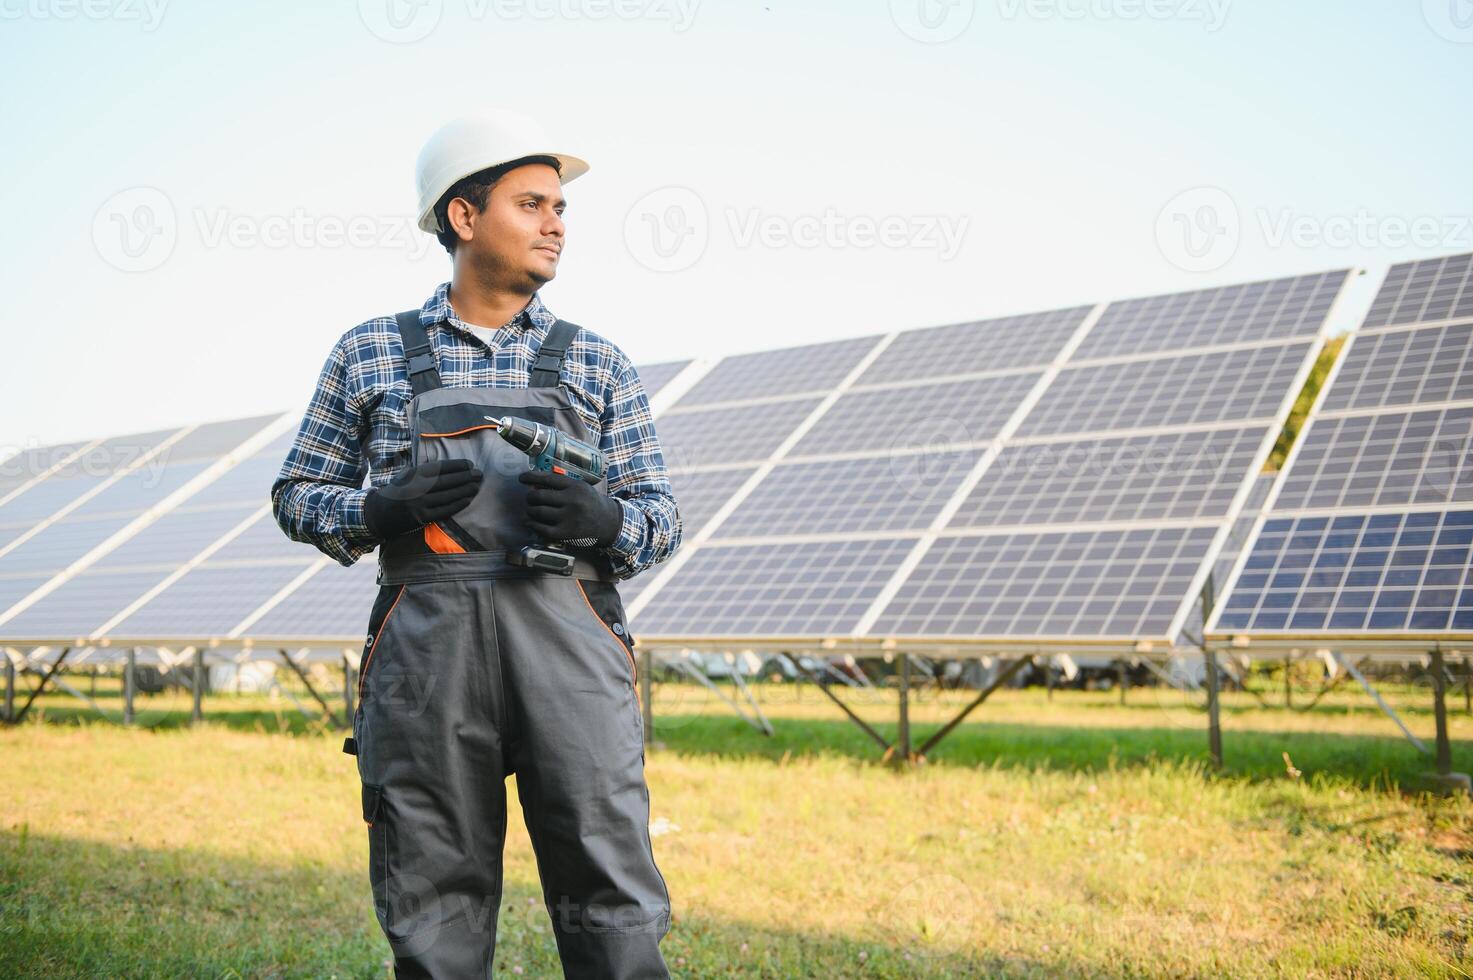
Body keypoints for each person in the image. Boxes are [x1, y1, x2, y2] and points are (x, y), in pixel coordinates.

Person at [270, 109, 681, 978]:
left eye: (560, 209)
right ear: (464, 218)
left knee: (607, 877)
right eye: (531, 205)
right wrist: (378, 511)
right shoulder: (370, 352)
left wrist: (607, 524)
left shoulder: (597, 364)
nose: (556, 225)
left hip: (568, 644)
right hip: (427, 656)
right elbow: (297, 494)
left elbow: (659, 516)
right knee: (432, 887)